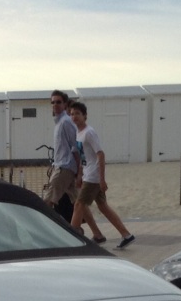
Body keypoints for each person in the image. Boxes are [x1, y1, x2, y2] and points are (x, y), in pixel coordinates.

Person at [68, 100, 134, 249]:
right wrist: (79, 175)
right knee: (103, 206)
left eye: (77, 114)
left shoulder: (89, 132)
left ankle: (72, 238)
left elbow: (101, 154)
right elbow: (83, 156)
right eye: (72, 114)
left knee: (79, 204)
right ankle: (126, 235)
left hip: (93, 176)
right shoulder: (78, 134)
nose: (74, 117)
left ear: (85, 116)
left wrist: (102, 180)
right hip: (87, 174)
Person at [44, 90, 102, 239]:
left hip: (64, 168)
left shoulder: (66, 122)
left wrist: (79, 173)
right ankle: (97, 234)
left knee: (48, 202)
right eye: (53, 102)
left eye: (58, 102)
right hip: (65, 167)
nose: (55, 105)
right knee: (80, 203)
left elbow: (75, 148)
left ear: (65, 104)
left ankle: (46, 235)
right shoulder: (59, 123)